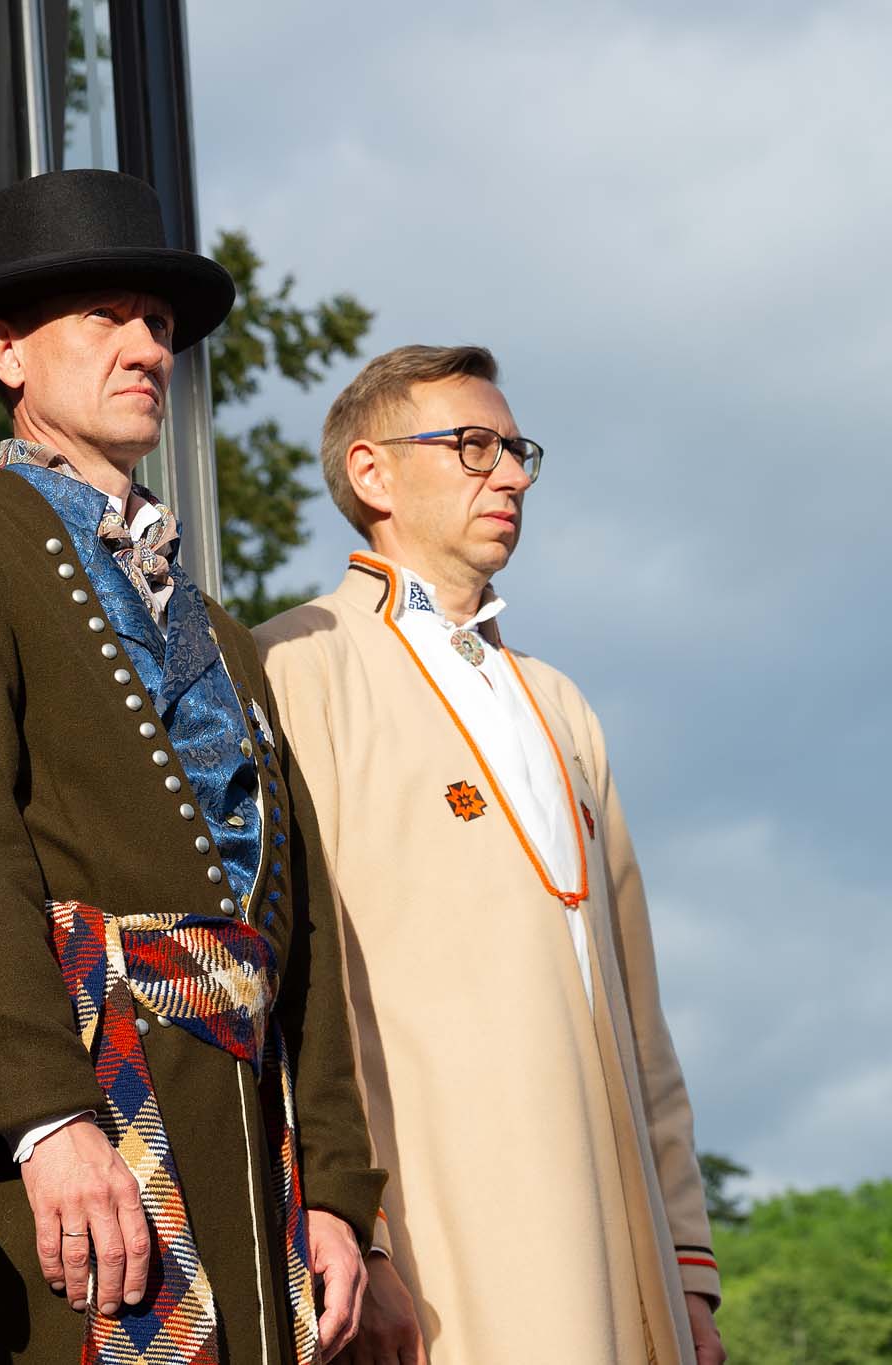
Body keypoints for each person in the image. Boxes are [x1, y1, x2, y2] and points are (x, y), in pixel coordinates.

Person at [0, 169, 383, 1365]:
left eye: (156, 322)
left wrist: (339, 1192)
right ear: (6, 352)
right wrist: (44, 1118)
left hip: (254, 1151)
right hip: (90, 1117)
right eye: (103, 316)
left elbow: (302, 931)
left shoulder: (223, 633)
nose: (146, 347)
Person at [255, 345, 728, 1365]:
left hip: (627, 1249)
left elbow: (640, 1014)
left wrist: (687, 1263)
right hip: (435, 1243)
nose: (510, 474)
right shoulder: (294, 665)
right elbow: (291, 985)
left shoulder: (561, 705)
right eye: (473, 446)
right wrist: (356, 1231)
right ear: (372, 473)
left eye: (516, 451)